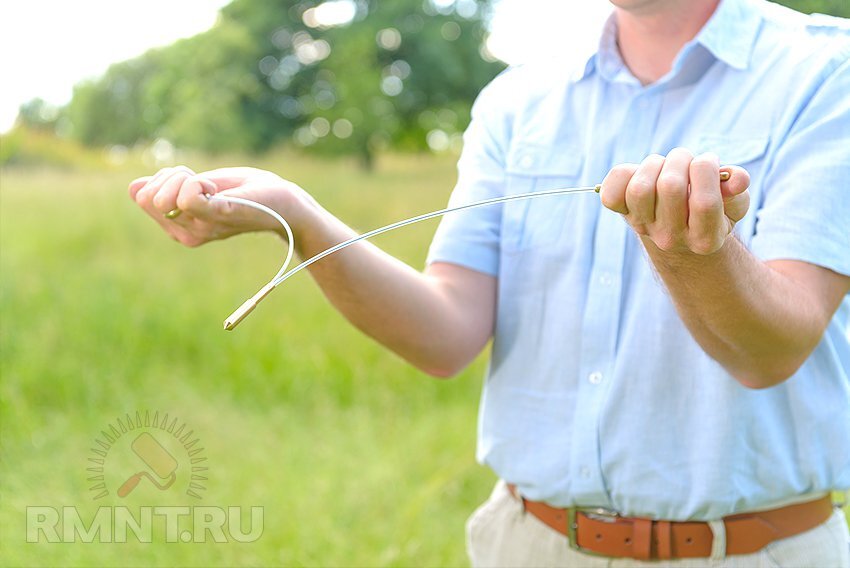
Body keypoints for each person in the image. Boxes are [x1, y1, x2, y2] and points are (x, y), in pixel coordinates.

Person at [129, 0, 850, 564]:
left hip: (752, 556)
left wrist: (693, 253)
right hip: (525, 547)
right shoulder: (517, 98)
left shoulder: (827, 70)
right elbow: (445, 334)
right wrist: (300, 218)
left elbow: (770, 351)